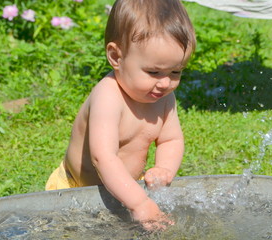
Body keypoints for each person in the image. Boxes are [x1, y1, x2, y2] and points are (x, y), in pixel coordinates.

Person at [45, 0, 196, 231]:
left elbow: (170, 139)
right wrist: (139, 202)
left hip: (123, 189)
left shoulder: (164, 99)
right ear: (116, 57)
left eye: (176, 72)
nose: (165, 82)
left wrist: (164, 168)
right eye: (153, 71)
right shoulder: (108, 97)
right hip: (75, 190)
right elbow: (103, 158)